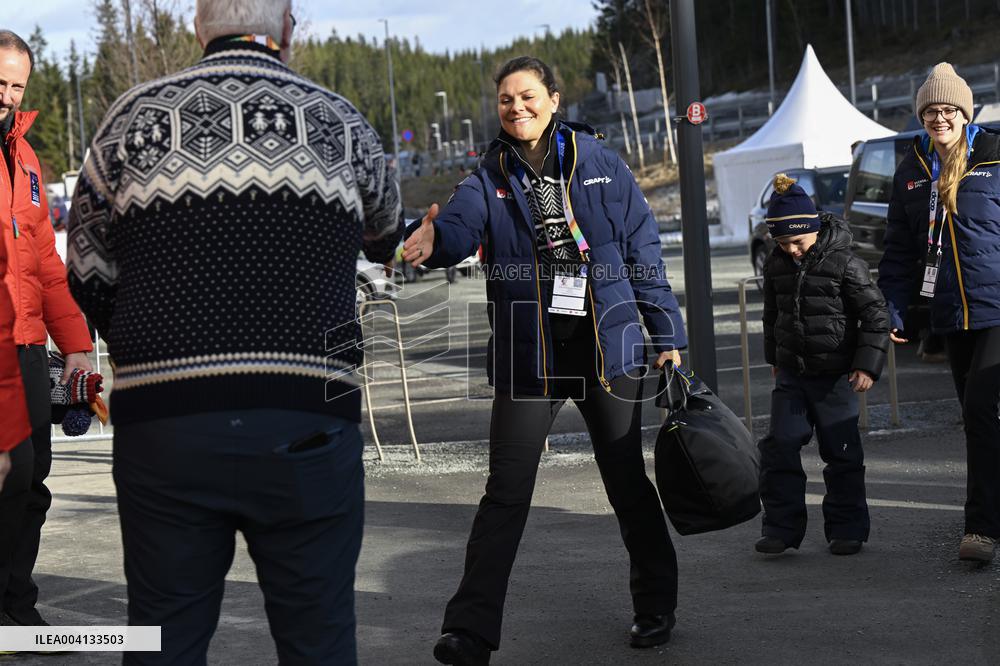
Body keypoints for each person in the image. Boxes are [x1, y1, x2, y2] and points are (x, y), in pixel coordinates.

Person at [66, 1, 403, 662]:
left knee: (163, 639)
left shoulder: (131, 116)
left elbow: (86, 265)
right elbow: (386, 232)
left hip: (165, 427)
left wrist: (148, 342)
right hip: (309, 415)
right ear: (287, 30)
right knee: (320, 639)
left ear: (200, 28)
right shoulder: (339, 118)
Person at [404, 56, 687, 665]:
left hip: (607, 351)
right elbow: (456, 228)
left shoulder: (601, 164)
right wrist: (431, 241)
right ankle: (470, 632)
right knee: (505, 492)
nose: (516, 107)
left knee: (625, 481)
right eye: (505, 100)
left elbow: (643, 249)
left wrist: (664, 330)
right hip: (529, 356)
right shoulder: (487, 175)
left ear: (554, 100)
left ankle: (655, 603)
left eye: (527, 96)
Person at [878, 63, 1000, 563]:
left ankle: (981, 529)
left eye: (948, 109)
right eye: (931, 111)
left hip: (997, 308)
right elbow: (900, 250)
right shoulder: (912, 169)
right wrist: (893, 309)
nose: (939, 118)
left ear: (964, 113)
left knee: (981, 411)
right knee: (980, 421)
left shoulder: (993, 157)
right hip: (950, 313)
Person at [0, 30, 94, 629]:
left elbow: (46, 266)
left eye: (16, 85)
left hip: (28, 345)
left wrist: (79, 346)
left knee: (31, 484)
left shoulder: (26, 158)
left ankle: (15, 611)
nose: (6, 96)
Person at [757, 174, 888, 557]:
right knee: (779, 447)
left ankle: (847, 529)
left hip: (836, 375)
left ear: (812, 229)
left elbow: (875, 314)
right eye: (783, 243)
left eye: (797, 241)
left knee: (842, 451)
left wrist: (866, 365)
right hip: (792, 375)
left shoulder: (846, 263)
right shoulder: (776, 264)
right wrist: (775, 360)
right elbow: (771, 315)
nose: (792, 250)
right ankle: (780, 528)